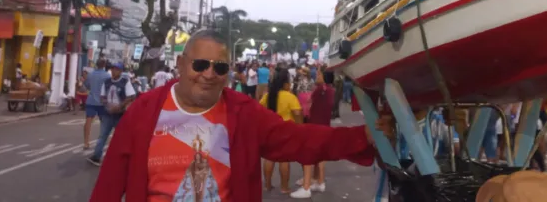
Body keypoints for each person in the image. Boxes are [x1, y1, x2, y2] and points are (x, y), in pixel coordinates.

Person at [89, 29, 390, 202]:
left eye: (219, 68)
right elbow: (110, 183)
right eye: (200, 65)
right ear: (181, 64)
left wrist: (361, 135)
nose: (209, 74)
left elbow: (299, 140)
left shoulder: (243, 113)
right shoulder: (144, 111)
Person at [292, 70, 335, 198]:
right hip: (325, 126)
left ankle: (306, 187)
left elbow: (310, 104)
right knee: (321, 156)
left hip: (315, 125)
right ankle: (320, 181)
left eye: (320, 75)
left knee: (308, 155)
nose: (317, 76)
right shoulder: (331, 91)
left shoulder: (320, 90)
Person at [260, 69, 302, 193]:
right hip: (286, 131)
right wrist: (300, 127)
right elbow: (297, 113)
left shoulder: (268, 96)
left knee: (269, 158)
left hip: (269, 131)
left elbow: (259, 109)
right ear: (285, 83)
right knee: (284, 159)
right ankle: (284, 187)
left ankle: (267, 185)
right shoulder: (290, 96)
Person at [88, 62, 136, 166]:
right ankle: (96, 156)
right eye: (113, 69)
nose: (114, 71)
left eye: (116, 69)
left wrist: (119, 106)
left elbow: (131, 96)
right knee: (102, 136)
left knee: (122, 137)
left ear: (121, 71)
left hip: (120, 114)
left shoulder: (125, 82)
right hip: (107, 113)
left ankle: (122, 159)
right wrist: (107, 105)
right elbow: (102, 96)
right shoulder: (107, 82)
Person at [83, 60, 111, 150]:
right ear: (104, 65)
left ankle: (86, 142)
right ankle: (101, 142)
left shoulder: (90, 74)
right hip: (102, 102)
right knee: (104, 123)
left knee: (88, 121)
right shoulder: (107, 75)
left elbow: (86, 85)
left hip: (91, 100)